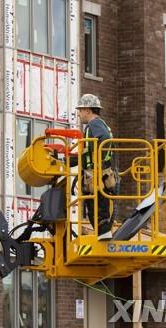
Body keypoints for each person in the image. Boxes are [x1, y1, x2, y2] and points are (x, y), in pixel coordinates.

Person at [72, 94, 117, 240]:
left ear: (88, 110)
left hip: (97, 173)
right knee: (98, 205)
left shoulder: (94, 125)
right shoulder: (99, 124)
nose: (79, 114)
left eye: (81, 110)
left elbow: (104, 139)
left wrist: (97, 163)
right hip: (99, 172)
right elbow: (86, 153)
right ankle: (102, 233)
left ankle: (103, 233)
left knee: (97, 206)